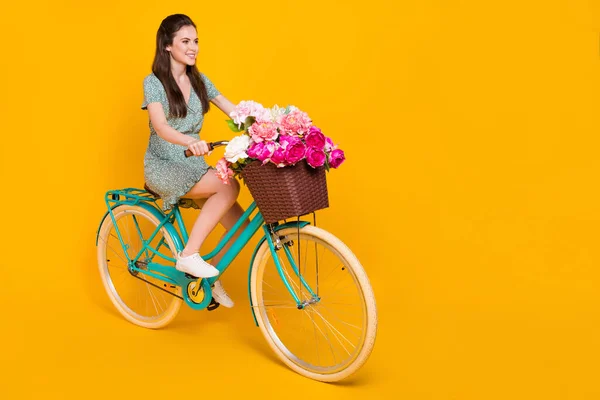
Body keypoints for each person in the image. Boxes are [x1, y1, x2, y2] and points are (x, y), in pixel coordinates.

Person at [142, 14, 246, 308]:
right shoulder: (154, 83)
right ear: (167, 46)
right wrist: (190, 141)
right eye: (185, 41)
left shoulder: (198, 79)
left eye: (196, 41)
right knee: (227, 187)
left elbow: (231, 108)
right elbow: (161, 126)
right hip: (164, 163)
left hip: (193, 165)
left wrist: (266, 126)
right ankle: (188, 255)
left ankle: (208, 280)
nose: (193, 48)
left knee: (240, 227)